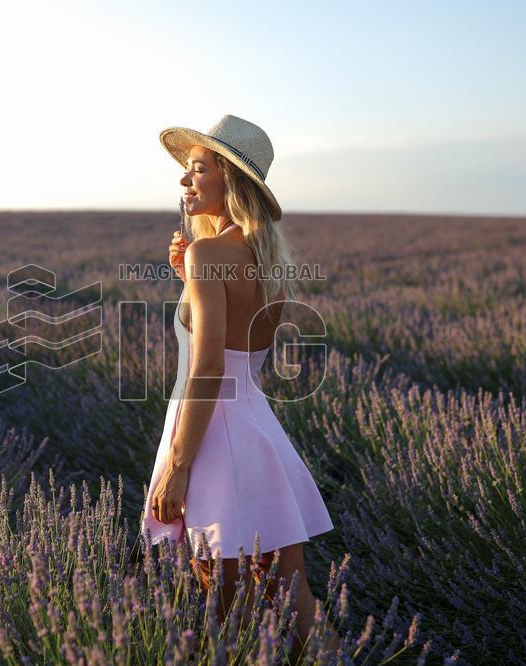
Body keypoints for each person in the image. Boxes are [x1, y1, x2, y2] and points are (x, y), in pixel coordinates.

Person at [139, 114, 341, 660]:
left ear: (230, 179)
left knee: (222, 612)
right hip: (256, 433)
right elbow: (236, 353)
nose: (185, 181)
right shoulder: (264, 259)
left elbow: (207, 368)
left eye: (197, 169)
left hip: (212, 439)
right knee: (294, 596)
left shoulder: (210, 256)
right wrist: (191, 282)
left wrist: (179, 465)